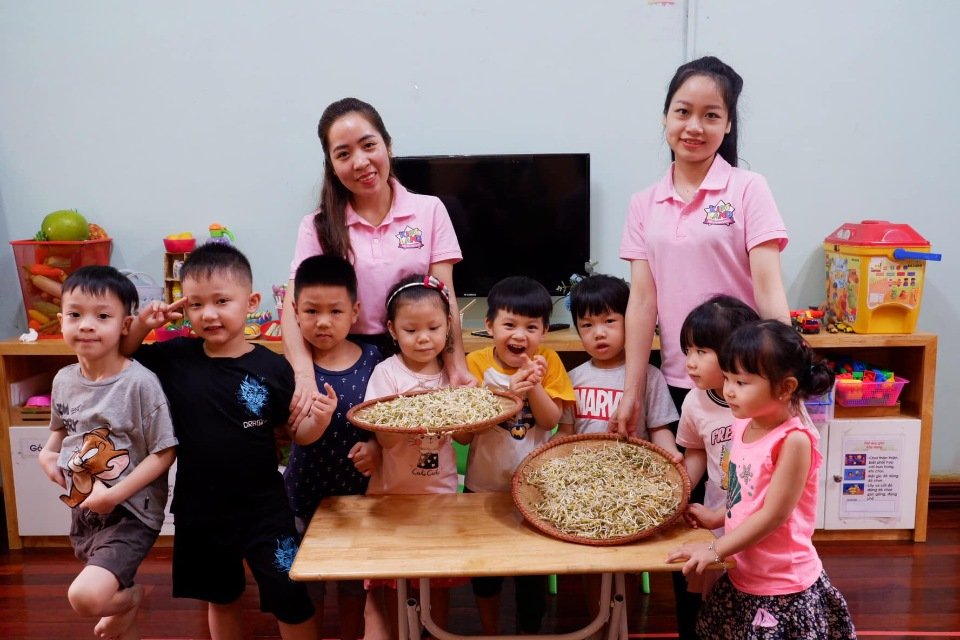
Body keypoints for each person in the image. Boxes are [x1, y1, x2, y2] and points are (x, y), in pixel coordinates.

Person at [124, 243, 319, 640]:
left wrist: (320, 418)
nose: (208, 314)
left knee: (290, 594)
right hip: (201, 508)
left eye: (222, 301)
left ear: (251, 303)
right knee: (220, 597)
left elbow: (295, 431)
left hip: (265, 507)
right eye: (195, 304)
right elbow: (123, 355)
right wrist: (144, 324)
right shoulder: (176, 357)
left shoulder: (272, 367)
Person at [613, 55, 791, 439]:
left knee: (744, 476)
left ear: (727, 124)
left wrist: (785, 374)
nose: (694, 127)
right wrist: (633, 391)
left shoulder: (748, 188)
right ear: (665, 117)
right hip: (680, 375)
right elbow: (642, 302)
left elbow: (769, 290)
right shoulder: (643, 204)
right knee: (683, 475)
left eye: (711, 115)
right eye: (683, 112)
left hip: (745, 378)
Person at [283, 97, 472, 430]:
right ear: (331, 163)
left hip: (415, 356)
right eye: (343, 154)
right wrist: (304, 375)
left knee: (412, 451)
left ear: (388, 145)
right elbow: (292, 305)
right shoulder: (317, 225)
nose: (360, 162)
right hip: (343, 360)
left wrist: (456, 366)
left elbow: (446, 297)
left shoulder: (429, 211)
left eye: (369, 145)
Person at [667, 320, 857, 639]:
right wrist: (717, 517)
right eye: (727, 377)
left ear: (785, 388)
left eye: (741, 382)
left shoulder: (794, 440)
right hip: (743, 571)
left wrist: (716, 548)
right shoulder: (744, 423)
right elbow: (746, 493)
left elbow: (772, 515)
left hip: (782, 585)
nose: (728, 390)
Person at [37, 265, 178, 640]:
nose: (86, 325)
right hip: (84, 507)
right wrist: (47, 455)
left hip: (130, 513)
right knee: (112, 607)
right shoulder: (64, 379)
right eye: (75, 314)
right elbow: (60, 430)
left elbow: (165, 452)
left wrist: (114, 496)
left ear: (125, 325)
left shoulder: (139, 383)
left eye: (102, 316)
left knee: (86, 597)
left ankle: (132, 601)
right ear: (61, 321)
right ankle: (126, 617)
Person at [457, 275, 576, 635]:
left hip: (534, 489)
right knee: (484, 573)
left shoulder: (549, 361)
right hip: (482, 486)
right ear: (490, 325)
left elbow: (550, 421)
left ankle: (529, 631)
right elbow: (463, 435)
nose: (520, 335)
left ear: (545, 331)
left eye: (531, 327)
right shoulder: (475, 363)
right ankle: (490, 631)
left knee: (531, 573)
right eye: (509, 325)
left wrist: (534, 385)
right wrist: (509, 395)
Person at [349, 274, 462, 639]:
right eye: (411, 330)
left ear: (448, 325)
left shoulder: (452, 376)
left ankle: (435, 633)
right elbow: (382, 436)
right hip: (391, 494)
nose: (423, 338)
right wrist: (412, 415)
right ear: (392, 331)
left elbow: (465, 434)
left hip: (439, 493)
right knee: (395, 580)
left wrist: (466, 404)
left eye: (433, 327)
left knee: (437, 580)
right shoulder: (387, 373)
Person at [282, 254, 383, 640]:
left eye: (335, 311)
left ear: (354, 311)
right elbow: (296, 436)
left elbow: (384, 420)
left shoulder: (374, 360)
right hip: (306, 492)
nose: (323, 322)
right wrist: (317, 423)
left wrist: (375, 447)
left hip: (357, 495)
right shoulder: (294, 369)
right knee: (307, 584)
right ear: (295, 312)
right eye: (311, 311)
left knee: (354, 584)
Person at [674, 294, 760, 627]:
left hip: (755, 516)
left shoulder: (759, 403)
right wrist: (679, 490)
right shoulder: (695, 402)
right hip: (716, 515)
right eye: (688, 351)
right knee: (718, 596)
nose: (690, 362)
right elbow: (696, 449)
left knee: (752, 592)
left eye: (701, 351)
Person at [557, 273, 679, 454]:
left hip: (634, 465)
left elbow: (659, 429)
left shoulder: (649, 376)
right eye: (587, 325)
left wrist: (671, 453)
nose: (599, 333)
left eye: (609, 321)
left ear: (629, 322)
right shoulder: (572, 378)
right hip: (583, 466)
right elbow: (566, 431)